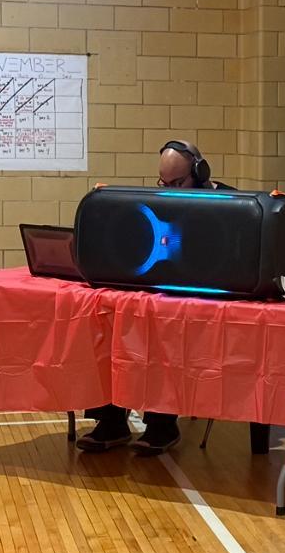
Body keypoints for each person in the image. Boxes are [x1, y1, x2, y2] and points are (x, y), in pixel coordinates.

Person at [78, 140, 222, 455]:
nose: (169, 191)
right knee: (113, 323)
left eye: (177, 183)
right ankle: (112, 420)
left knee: (162, 334)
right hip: (161, 294)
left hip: (203, 302)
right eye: (163, 184)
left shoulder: (226, 204)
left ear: (200, 173)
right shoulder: (158, 200)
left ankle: (162, 424)